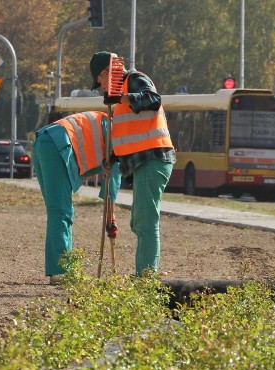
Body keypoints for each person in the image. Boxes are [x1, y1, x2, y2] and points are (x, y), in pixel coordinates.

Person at [89, 51, 176, 276]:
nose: (99, 85)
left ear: (106, 73)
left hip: (153, 159)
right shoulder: (120, 98)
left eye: (98, 79)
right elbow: (131, 134)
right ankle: (145, 274)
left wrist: (121, 97)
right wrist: (112, 158)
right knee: (139, 222)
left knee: (145, 223)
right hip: (143, 161)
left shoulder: (134, 79)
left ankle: (146, 277)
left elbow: (153, 100)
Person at [34, 110, 121, 284]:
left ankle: (58, 269)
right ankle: (61, 271)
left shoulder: (103, 121)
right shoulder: (117, 136)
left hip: (44, 141)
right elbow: (111, 184)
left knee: (57, 212)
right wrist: (111, 219)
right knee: (61, 212)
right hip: (57, 145)